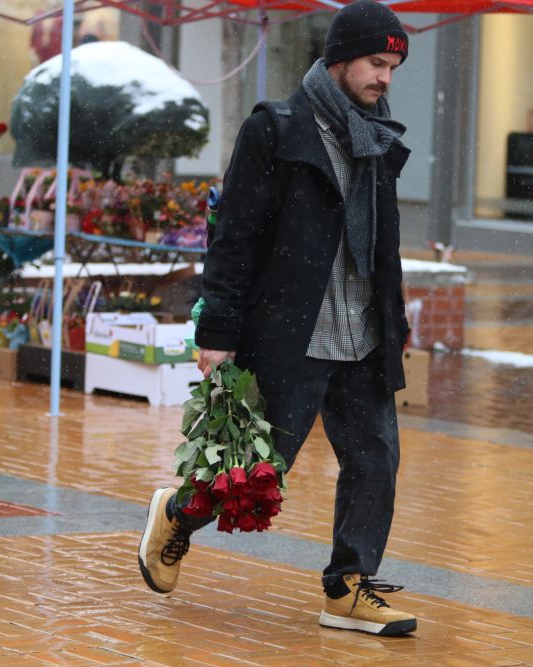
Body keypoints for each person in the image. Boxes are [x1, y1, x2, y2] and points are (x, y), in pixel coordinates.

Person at [138, 0, 416, 637]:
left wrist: (393, 318)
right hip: (294, 332)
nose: (385, 79)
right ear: (342, 58)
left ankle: (348, 586)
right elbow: (234, 237)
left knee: (375, 462)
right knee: (256, 468)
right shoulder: (278, 127)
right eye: (377, 64)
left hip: (362, 333)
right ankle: (177, 516)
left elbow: (384, 242)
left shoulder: (378, 136)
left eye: (394, 67)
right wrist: (218, 333)